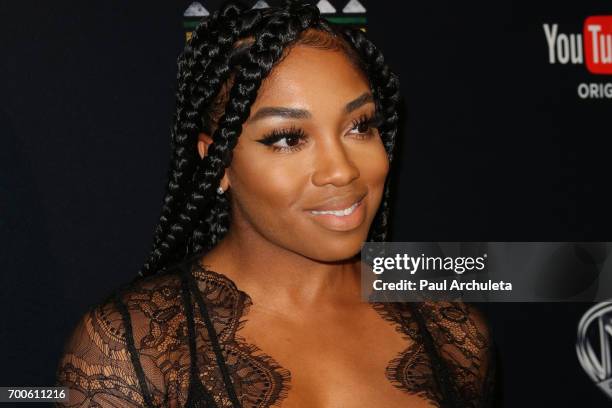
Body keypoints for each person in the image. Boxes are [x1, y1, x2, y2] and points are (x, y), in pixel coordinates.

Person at [55, 1, 497, 407]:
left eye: (359, 126)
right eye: (288, 138)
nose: (341, 170)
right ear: (219, 163)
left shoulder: (452, 330)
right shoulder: (130, 350)